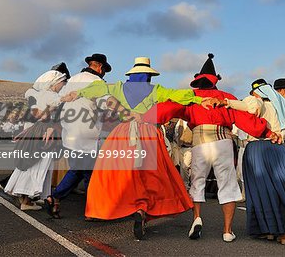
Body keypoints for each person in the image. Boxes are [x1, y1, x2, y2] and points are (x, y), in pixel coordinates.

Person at [66, 56, 216, 240]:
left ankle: (107, 207)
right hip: (148, 134)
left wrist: (76, 94)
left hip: (122, 134)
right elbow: (177, 95)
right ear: (148, 75)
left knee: (114, 174)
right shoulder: (156, 90)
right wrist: (200, 100)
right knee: (150, 176)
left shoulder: (117, 87)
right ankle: (142, 209)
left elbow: (97, 89)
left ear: (132, 74)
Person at [148, 54, 282, 242]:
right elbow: (244, 119)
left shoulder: (190, 97)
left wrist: (149, 117)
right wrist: (267, 132)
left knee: (197, 182)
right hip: (222, 141)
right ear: (215, 80)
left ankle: (196, 218)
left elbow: (169, 108)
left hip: (199, 143)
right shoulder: (226, 98)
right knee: (227, 184)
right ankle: (227, 231)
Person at [223, 79, 285, 244]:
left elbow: (251, 106)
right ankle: (284, 229)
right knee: (283, 187)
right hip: (279, 148)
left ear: (259, 93)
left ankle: (270, 228)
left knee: (262, 190)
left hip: (258, 148)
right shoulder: (282, 105)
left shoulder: (258, 101)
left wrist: (227, 102)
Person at [44, 54, 112, 219]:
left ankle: (60, 200)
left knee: (82, 170)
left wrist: (53, 126)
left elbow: (59, 103)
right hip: (88, 133)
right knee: (86, 171)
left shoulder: (73, 79)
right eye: (104, 70)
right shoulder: (98, 83)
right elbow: (105, 107)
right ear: (100, 67)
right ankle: (84, 206)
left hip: (70, 132)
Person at [4, 70, 68, 210]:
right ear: (55, 82)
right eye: (62, 82)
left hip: (38, 130)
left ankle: (27, 196)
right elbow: (46, 116)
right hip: (46, 132)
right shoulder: (53, 97)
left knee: (32, 163)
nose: (63, 85)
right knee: (39, 165)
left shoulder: (39, 94)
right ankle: (27, 200)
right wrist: (51, 126)